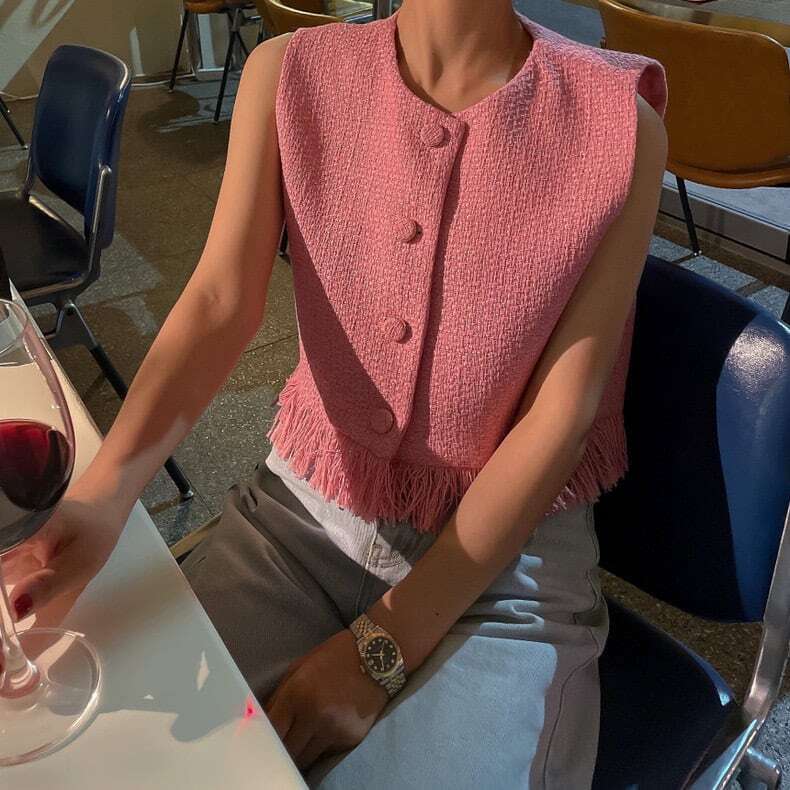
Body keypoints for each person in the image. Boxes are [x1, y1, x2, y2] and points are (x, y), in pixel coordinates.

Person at [5, 1, 668, 786]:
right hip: (299, 520)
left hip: (507, 570)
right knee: (125, 763)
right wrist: (104, 493)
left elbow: (561, 418)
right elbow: (220, 302)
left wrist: (382, 649)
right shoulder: (289, 74)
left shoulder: (617, 124)